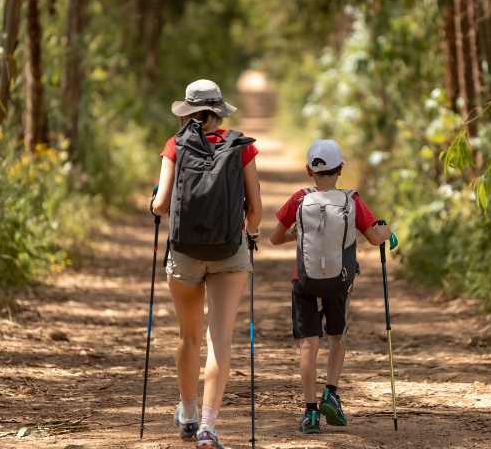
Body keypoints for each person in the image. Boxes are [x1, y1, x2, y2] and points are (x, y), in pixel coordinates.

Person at [149, 79, 262, 449]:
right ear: (219, 110)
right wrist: (253, 235)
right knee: (220, 338)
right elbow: (256, 209)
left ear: (188, 110)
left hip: (184, 251)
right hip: (230, 251)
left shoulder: (175, 144)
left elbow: (162, 204)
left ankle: (188, 414)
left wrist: (154, 201)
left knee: (189, 337)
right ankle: (209, 429)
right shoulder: (240, 145)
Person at [269, 139, 392, 434]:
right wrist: (386, 230)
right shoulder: (352, 200)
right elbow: (375, 238)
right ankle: (331, 393)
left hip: (304, 281)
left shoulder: (299, 199)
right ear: (340, 170)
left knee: (308, 346)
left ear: (309, 170)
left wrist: (297, 234)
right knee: (337, 337)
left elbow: (274, 238)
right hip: (339, 282)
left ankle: (310, 413)